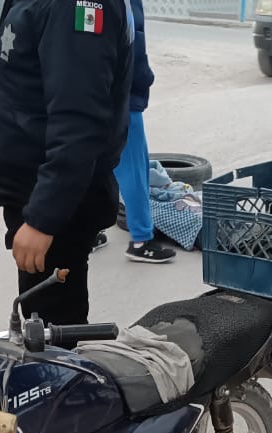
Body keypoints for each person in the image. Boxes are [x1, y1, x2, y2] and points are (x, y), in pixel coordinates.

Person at [0, 0, 133, 325]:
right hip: (34, 192)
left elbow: (78, 123)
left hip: (55, 202)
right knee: (42, 323)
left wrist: (43, 219)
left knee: (54, 333)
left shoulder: (72, 7)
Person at [115, 0, 174, 265]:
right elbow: (131, 45)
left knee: (91, 163)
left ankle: (88, 231)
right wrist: (144, 79)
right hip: (121, 95)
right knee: (133, 168)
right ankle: (141, 240)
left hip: (99, 92)